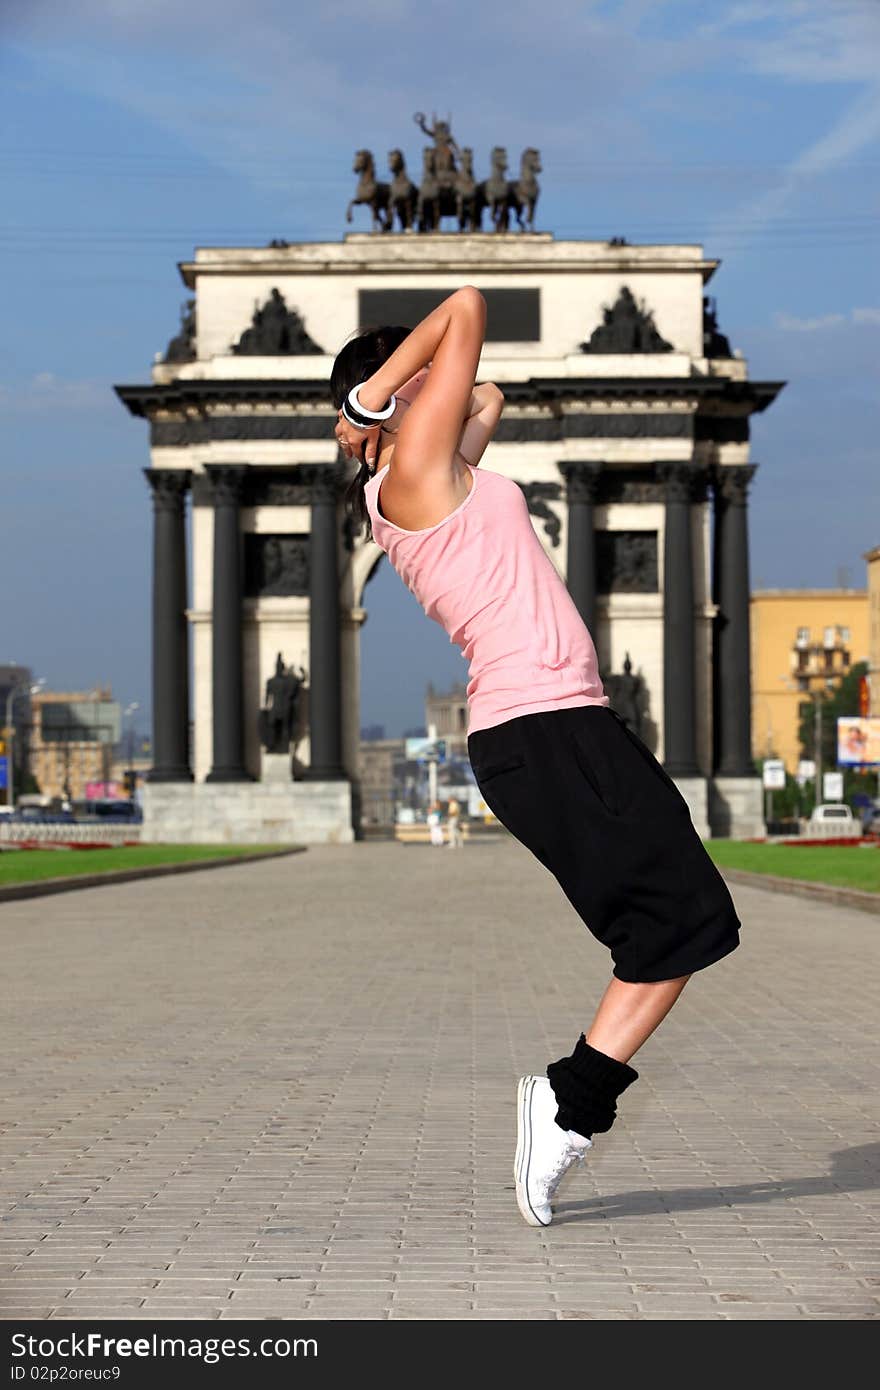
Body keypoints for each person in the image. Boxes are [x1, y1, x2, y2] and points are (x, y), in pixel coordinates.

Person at [331, 288, 742, 1228]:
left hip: (567, 727)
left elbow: (490, 394)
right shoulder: (409, 475)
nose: (443, 382)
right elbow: (468, 306)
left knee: (689, 925)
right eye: (418, 376)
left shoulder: (436, 465)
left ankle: (569, 1099)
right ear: (391, 399)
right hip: (543, 730)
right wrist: (372, 401)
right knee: (676, 925)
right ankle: (567, 1105)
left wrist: (406, 387)